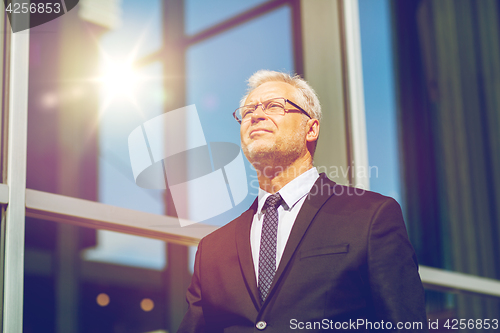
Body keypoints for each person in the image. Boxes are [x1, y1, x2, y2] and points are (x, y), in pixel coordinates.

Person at [178, 70, 428, 332]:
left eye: (274, 106)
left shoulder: (371, 217)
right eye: (248, 110)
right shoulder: (212, 249)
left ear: (310, 129)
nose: (256, 115)